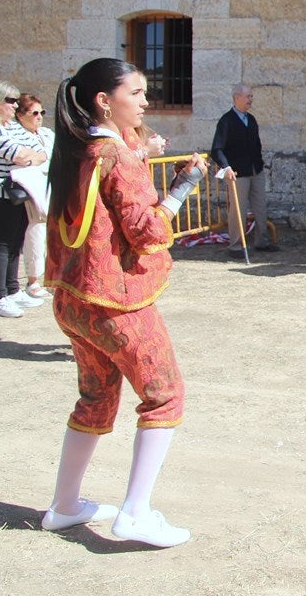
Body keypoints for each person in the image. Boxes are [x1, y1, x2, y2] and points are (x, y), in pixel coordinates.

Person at [41, 57, 207, 547]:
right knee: (165, 396)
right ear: (103, 100)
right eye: (135, 93)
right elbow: (148, 231)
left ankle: (65, 504)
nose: (145, 101)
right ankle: (135, 512)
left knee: (95, 397)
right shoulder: (113, 157)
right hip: (115, 303)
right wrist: (183, 186)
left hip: (74, 299)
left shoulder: (82, 147)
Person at [0, 81, 49, 318]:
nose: (15, 105)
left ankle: (14, 290)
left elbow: (39, 149)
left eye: (16, 101)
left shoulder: (12, 126)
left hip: (19, 192)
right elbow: (17, 153)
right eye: (10, 101)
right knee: (2, 243)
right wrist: (25, 156)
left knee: (16, 241)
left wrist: (27, 156)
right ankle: (0, 296)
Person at [210, 84, 279, 256]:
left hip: (256, 170)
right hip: (237, 173)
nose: (251, 100)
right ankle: (236, 246)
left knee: (260, 207)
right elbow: (217, 149)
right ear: (237, 97)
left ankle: (261, 242)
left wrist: (260, 164)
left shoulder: (252, 120)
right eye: (248, 96)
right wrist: (226, 167)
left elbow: (257, 144)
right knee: (238, 210)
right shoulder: (226, 121)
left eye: (251, 96)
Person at [13, 94, 56, 299]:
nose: (39, 117)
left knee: (53, 232)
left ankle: (51, 277)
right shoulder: (17, 135)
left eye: (42, 112)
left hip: (51, 184)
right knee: (36, 230)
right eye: (34, 113)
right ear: (21, 116)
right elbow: (25, 159)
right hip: (32, 185)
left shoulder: (46, 134)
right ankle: (33, 280)